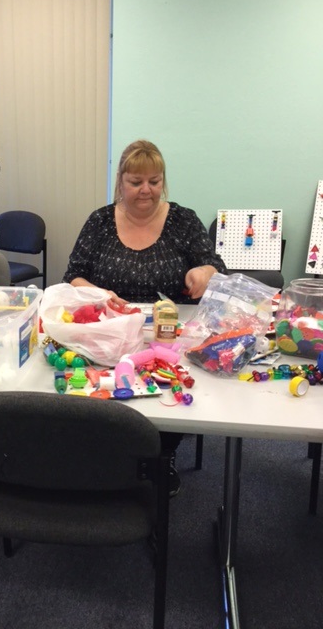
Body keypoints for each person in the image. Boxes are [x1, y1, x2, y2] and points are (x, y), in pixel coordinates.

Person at [63, 139, 227, 495]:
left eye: (154, 181)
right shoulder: (100, 221)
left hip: (168, 334)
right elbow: (72, 275)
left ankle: (164, 454)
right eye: (136, 181)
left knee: (167, 390)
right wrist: (97, 293)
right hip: (110, 331)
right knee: (103, 390)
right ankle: (111, 453)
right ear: (121, 181)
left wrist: (204, 273)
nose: (145, 190)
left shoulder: (183, 219)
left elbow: (216, 267)